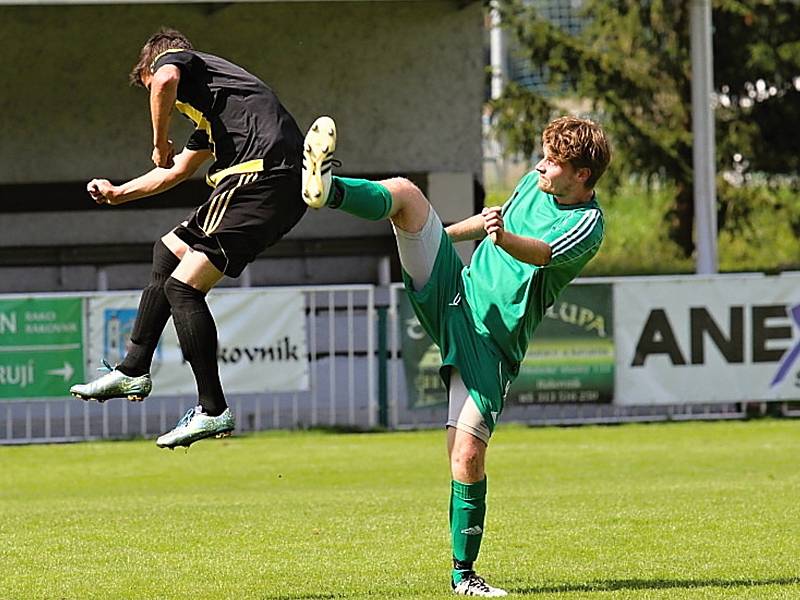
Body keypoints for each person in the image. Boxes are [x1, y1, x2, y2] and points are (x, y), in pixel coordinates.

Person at [301, 115, 610, 596]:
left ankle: (463, 575)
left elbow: (543, 252)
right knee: (404, 196)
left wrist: (502, 237)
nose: (541, 167)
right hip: (455, 294)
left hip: (494, 343)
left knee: (466, 456)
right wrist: (434, 236)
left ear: (582, 175)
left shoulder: (588, 224)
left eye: (553, 163)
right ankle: (327, 187)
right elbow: (491, 221)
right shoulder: (533, 183)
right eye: (545, 157)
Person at [70, 28, 307, 449]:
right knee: (169, 250)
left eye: (147, 83)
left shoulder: (174, 60)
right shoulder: (217, 111)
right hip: (268, 182)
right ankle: (134, 368)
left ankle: (212, 410)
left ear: (153, 64)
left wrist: (158, 140)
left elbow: (163, 84)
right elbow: (176, 171)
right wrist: (117, 193)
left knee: (183, 287)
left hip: (259, 178)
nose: (166, 103)